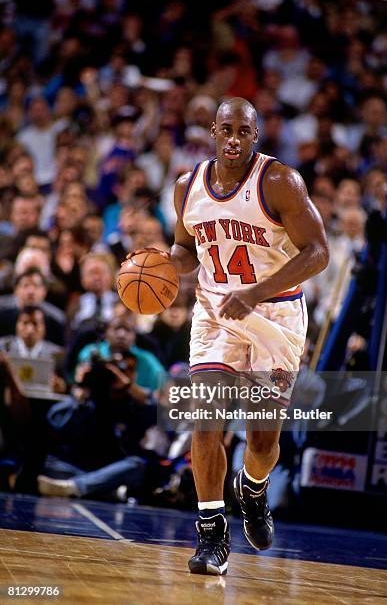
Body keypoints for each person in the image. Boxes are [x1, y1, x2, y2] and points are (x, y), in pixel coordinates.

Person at [126, 97, 329, 575]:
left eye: (243, 131)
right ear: (212, 132)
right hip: (216, 313)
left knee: (261, 441)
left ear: (254, 137)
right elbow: (184, 248)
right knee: (206, 419)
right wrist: (158, 267)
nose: (234, 139)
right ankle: (212, 533)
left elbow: (318, 252)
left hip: (275, 318)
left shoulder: (279, 182)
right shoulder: (187, 186)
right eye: (226, 130)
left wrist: (256, 292)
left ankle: (253, 489)